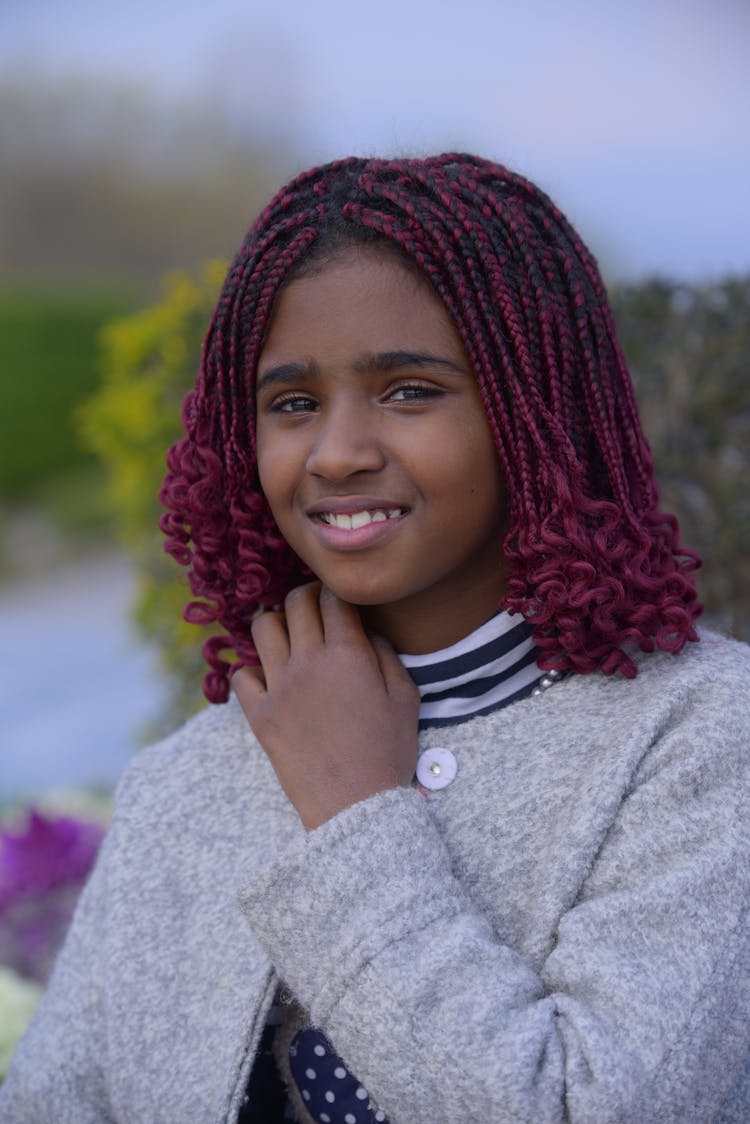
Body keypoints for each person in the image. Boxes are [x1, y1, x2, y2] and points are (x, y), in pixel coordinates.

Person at [1, 154, 748, 1124]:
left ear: (533, 415)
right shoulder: (184, 783)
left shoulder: (701, 733)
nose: (339, 451)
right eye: (294, 403)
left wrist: (355, 810)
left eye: (408, 389)